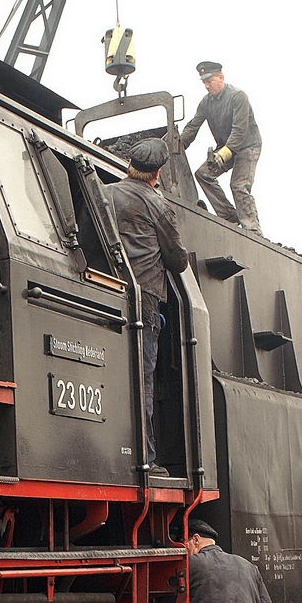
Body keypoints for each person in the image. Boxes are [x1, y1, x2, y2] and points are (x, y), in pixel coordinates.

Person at [109, 138, 189, 477]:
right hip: (144, 299)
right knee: (142, 378)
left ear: (129, 166)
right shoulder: (158, 204)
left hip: (108, 290)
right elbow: (177, 259)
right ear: (156, 173)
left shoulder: (105, 193)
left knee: (110, 375)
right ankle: (145, 459)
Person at [181, 62, 263, 236]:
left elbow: (240, 131)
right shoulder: (206, 102)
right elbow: (193, 126)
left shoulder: (238, 97)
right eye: (204, 82)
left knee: (239, 185)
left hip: (247, 146)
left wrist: (224, 154)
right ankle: (228, 215)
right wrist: (179, 145)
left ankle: (252, 229)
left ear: (221, 77)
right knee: (203, 174)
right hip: (226, 146)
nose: (206, 85)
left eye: (209, 80)